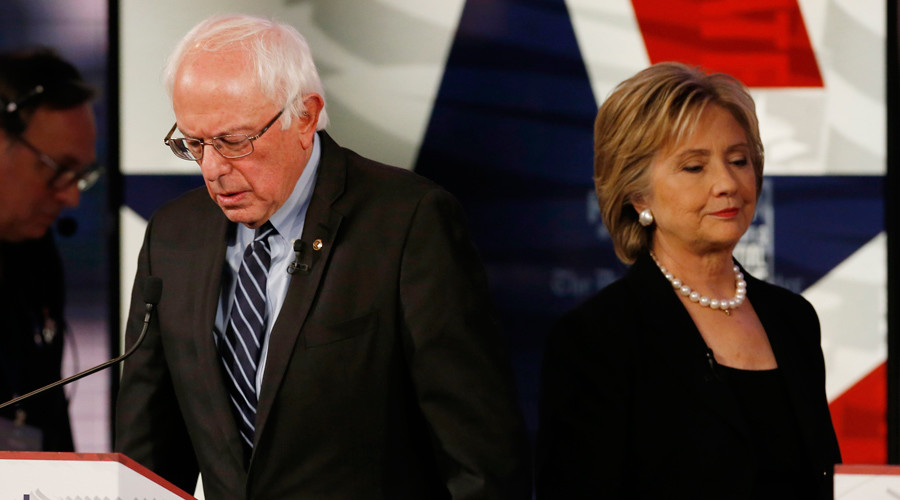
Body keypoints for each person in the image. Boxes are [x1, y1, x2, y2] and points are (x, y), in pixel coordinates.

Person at [114, 13, 530, 499]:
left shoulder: (406, 223)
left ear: (305, 116)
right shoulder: (172, 236)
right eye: (193, 144)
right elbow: (148, 456)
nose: (213, 169)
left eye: (233, 141)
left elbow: (479, 453)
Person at [535, 62, 841, 499]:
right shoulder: (596, 339)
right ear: (638, 194)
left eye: (738, 160)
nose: (727, 183)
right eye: (694, 167)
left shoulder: (793, 319)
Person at [0, 48, 100, 451]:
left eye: (81, 175)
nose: (72, 197)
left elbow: (47, 412)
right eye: (58, 169)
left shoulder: (35, 254)